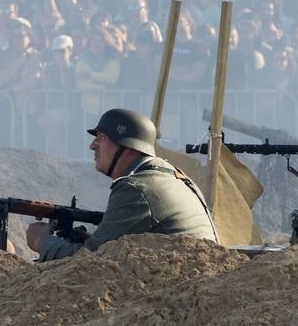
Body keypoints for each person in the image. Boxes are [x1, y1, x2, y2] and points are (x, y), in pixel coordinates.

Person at [25, 108, 218, 260]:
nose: (92, 145)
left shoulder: (136, 188)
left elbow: (89, 262)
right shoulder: (170, 176)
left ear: (127, 146)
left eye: (101, 137)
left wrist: (43, 242)